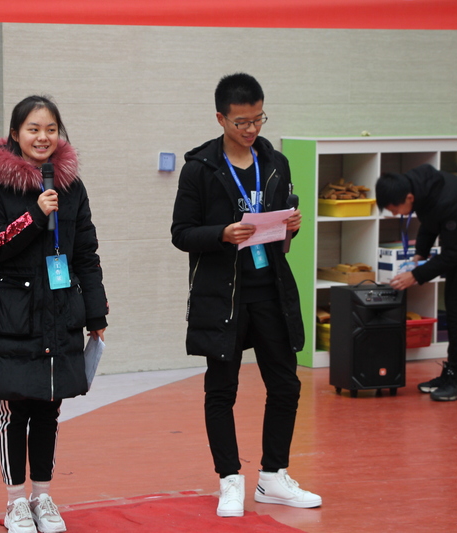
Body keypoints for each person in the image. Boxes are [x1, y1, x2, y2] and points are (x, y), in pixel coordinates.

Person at [170, 73, 321, 518]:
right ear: (221, 118)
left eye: (258, 119)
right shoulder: (200, 169)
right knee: (222, 389)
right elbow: (181, 233)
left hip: (270, 289)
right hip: (223, 296)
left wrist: (291, 227)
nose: (251, 129)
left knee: (286, 384)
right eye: (242, 122)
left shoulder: (274, 162)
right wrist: (222, 233)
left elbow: (282, 226)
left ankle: (273, 476)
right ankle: (230, 480)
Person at [0, 95, 108, 533]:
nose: (43, 137)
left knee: (49, 407)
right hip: (11, 316)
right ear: (16, 134)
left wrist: (96, 313)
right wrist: (35, 214)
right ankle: (15, 501)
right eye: (33, 129)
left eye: (50, 129)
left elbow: (86, 254)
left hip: (60, 310)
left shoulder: (72, 187)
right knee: (15, 410)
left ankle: (43, 496)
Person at [376, 164, 457, 402]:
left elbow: (453, 254)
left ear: (408, 198)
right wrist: (419, 255)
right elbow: (429, 222)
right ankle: (450, 374)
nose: (396, 214)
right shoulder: (419, 187)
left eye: (395, 209)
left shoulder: (446, 201)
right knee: (453, 304)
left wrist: (416, 275)